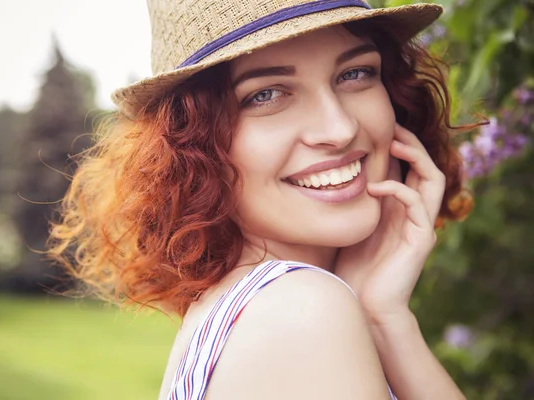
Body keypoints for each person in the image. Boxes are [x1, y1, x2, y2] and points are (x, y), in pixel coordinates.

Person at [48, 0, 473, 399]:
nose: (340, 128)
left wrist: (387, 319)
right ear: (193, 146)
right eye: (266, 94)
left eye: (355, 73)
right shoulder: (299, 309)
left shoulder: (256, 307)